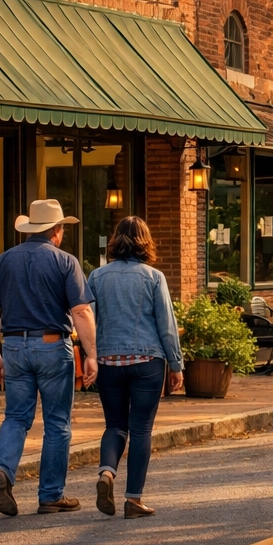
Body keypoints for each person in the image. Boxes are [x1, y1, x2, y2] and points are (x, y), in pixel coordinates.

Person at [0, 199, 97, 516]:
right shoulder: (66, 262)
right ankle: (50, 495)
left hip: (15, 348)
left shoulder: (4, 261)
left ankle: (3, 470)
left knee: (16, 418)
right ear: (57, 231)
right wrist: (91, 355)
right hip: (52, 347)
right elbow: (81, 311)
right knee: (57, 424)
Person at [88, 217, 184, 519]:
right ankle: (133, 499)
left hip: (109, 361)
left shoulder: (96, 277)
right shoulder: (154, 277)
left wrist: (91, 356)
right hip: (147, 361)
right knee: (141, 428)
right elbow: (166, 325)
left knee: (115, 424)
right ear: (146, 242)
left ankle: (106, 472)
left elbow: (87, 320)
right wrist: (176, 365)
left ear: (115, 241)